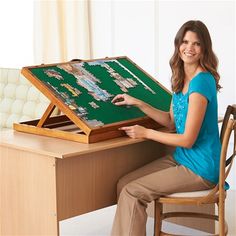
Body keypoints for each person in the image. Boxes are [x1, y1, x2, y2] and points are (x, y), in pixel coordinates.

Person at [110, 20, 221, 236]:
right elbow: (171, 122)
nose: (189, 48)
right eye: (186, 41)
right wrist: (139, 103)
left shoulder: (201, 83)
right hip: (183, 158)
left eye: (196, 44)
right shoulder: (181, 77)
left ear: (204, 48)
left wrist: (147, 133)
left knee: (133, 192)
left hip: (201, 167)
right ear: (178, 44)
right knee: (124, 183)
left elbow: (187, 139)